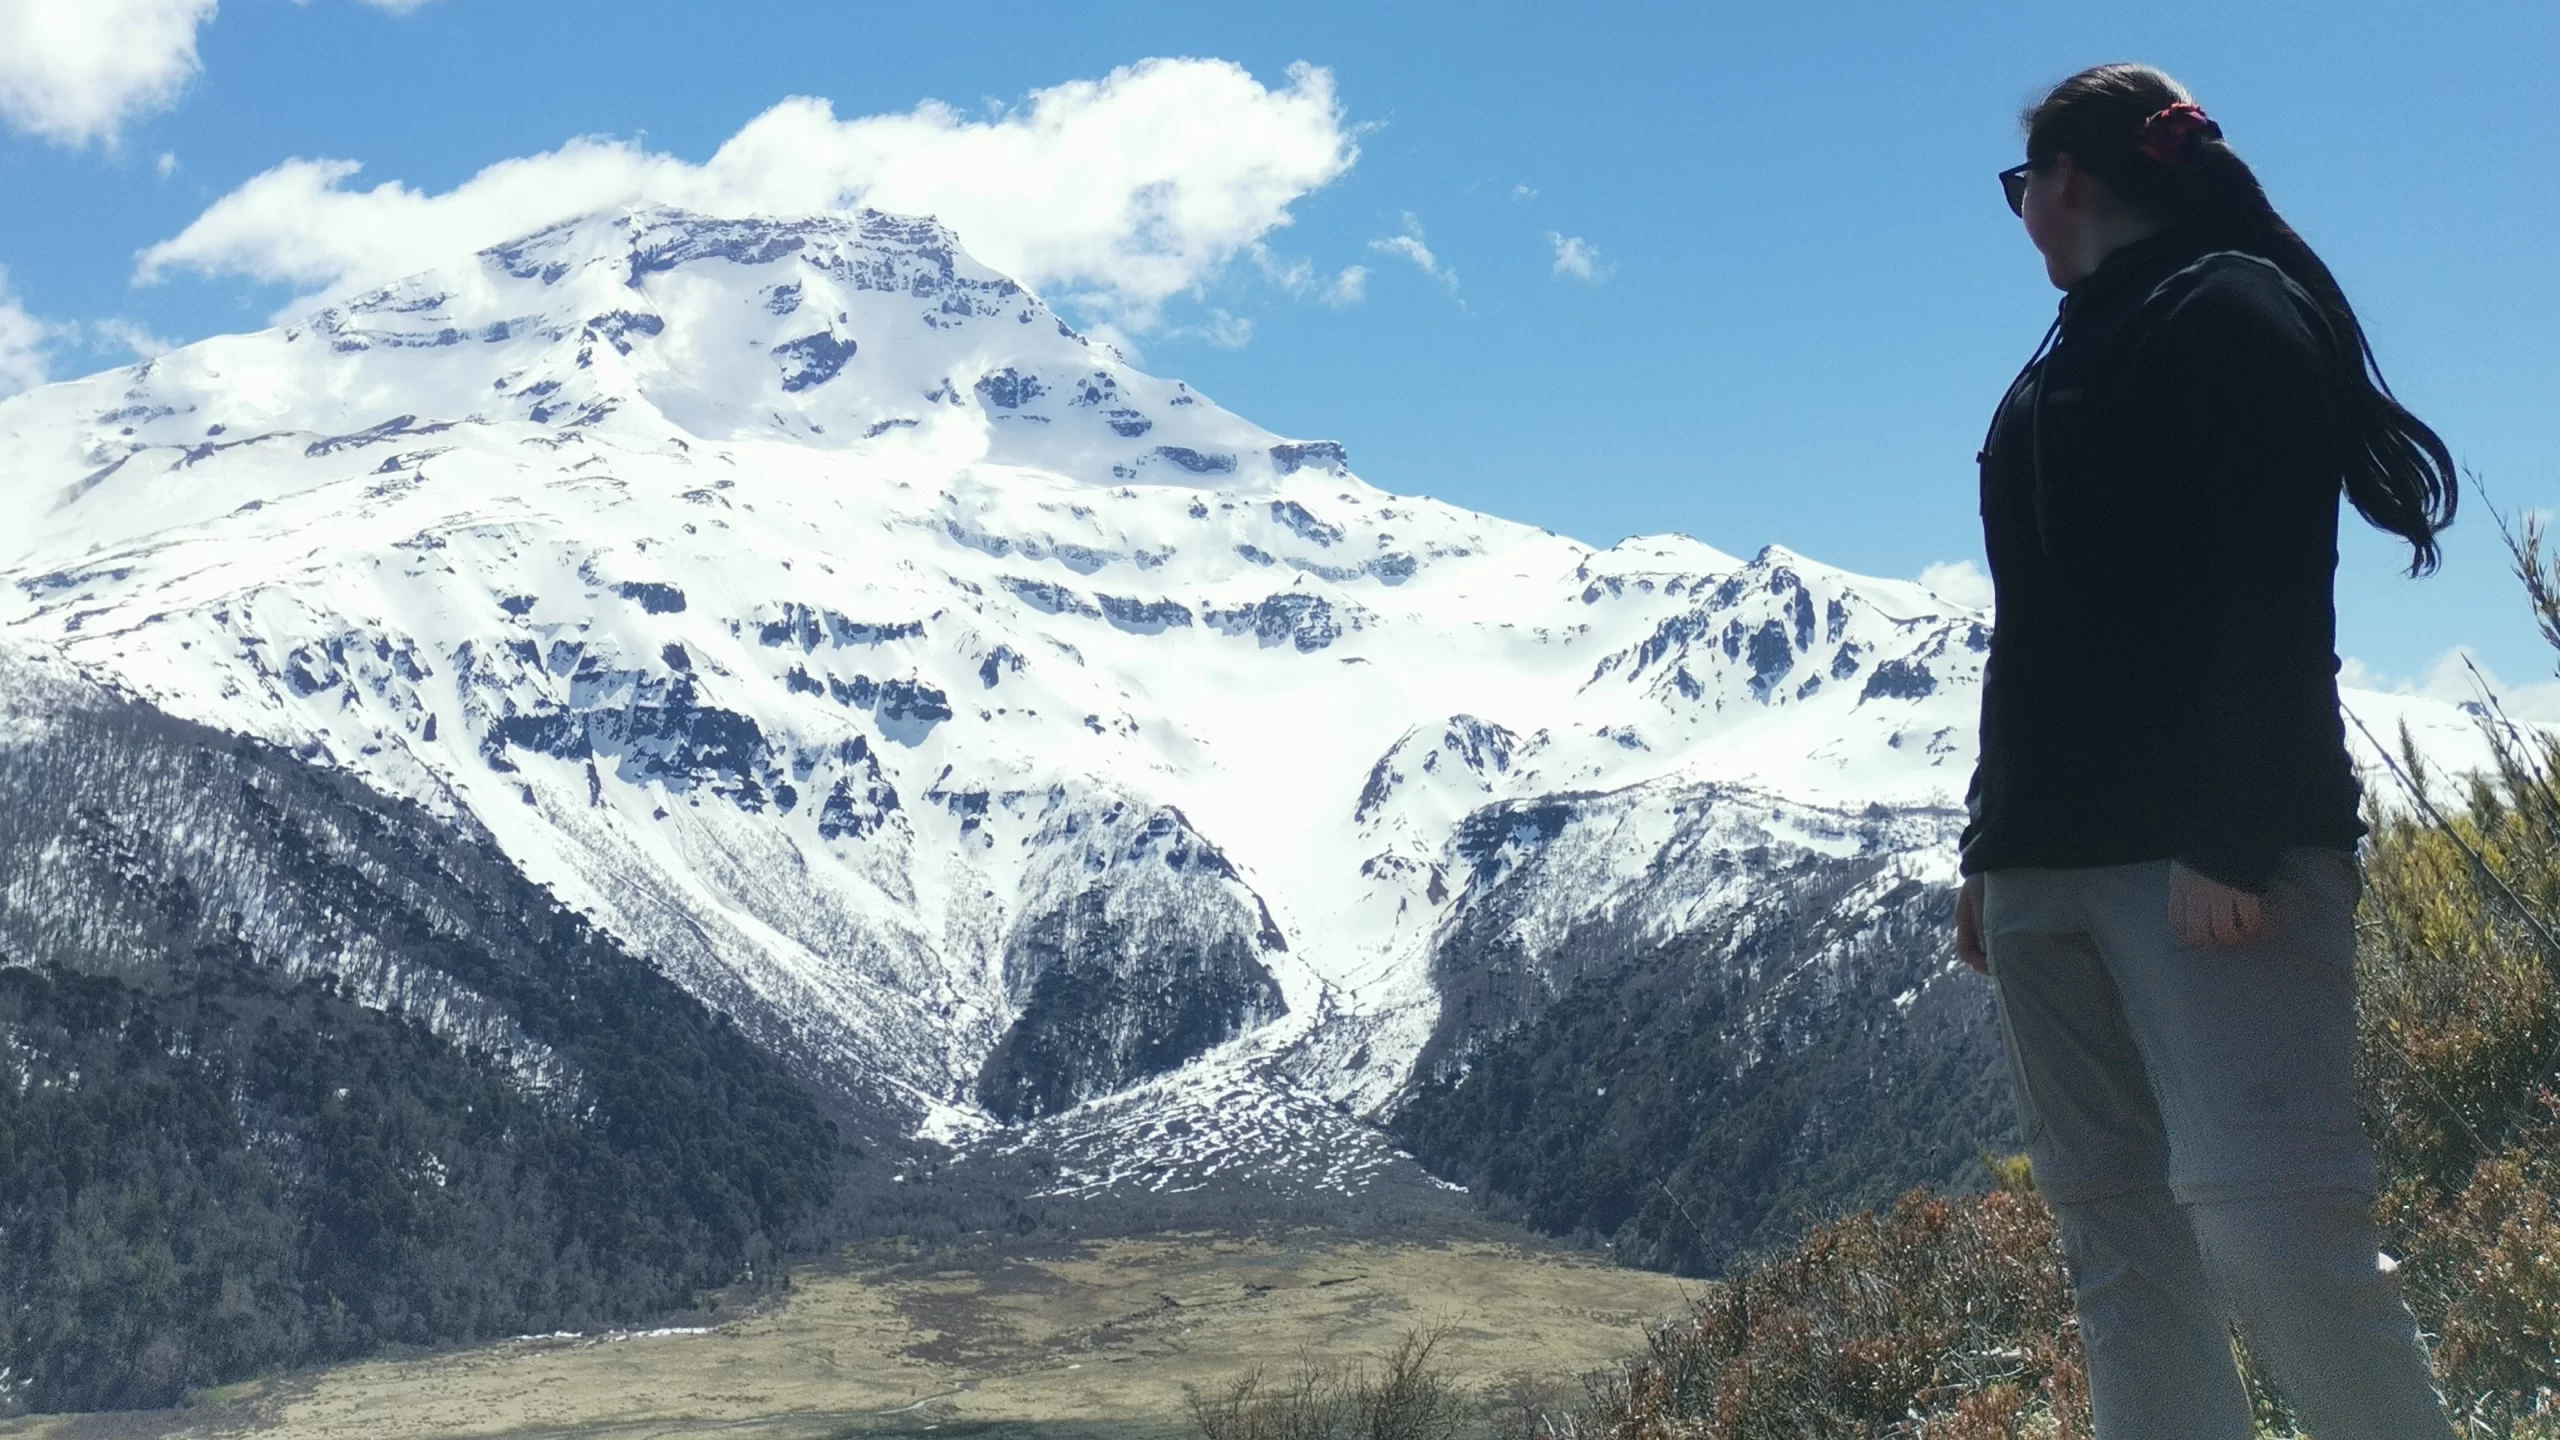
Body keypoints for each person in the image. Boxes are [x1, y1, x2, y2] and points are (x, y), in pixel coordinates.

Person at [1950, 64, 2461, 1439]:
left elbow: (2273, 586)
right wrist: (1988, 849)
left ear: (2066, 180)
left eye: (2022, 191)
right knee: (2120, 1252)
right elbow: (2033, 629)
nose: (2023, 220)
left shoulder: (2231, 309)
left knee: (2285, 1240)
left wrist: (2233, 835)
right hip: (2051, 863)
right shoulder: (2067, 351)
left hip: (2207, 860)